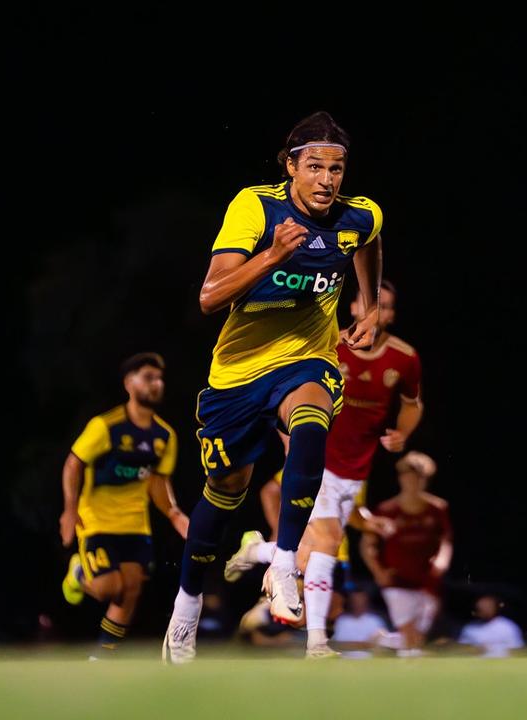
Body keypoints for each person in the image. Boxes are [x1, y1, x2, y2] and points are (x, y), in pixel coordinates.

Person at [163, 111, 383, 664]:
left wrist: (371, 305)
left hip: (305, 359)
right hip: (236, 376)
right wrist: (275, 255)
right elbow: (210, 298)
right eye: (315, 167)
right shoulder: (255, 206)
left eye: (336, 168)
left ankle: (284, 562)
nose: (327, 180)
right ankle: (183, 616)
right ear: (290, 167)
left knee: (312, 420)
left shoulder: (361, 214)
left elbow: (369, 242)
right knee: (223, 495)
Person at [226, 278, 421, 655]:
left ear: (391, 315)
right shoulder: (329, 344)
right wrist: (291, 445)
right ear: (352, 308)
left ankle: (256, 552)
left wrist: (403, 434)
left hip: (355, 473)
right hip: (319, 461)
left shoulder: (404, 358)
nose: (375, 312)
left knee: (308, 554)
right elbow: (289, 392)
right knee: (329, 541)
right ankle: (317, 643)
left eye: (385, 306)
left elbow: (413, 404)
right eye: (367, 302)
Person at [60, 353, 187, 656]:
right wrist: (69, 510)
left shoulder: (165, 436)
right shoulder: (106, 426)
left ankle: (102, 657)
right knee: (109, 589)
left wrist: (174, 513)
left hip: (135, 525)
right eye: (147, 378)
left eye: (159, 379)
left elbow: (158, 481)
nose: (156, 384)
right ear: (129, 384)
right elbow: (73, 464)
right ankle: (78, 573)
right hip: (97, 522)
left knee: (130, 592)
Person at [361, 452, 452, 657]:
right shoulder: (387, 510)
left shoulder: (437, 509)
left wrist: (442, 561)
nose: (413, 483)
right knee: (410, 634)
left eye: (419, 478)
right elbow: (368, 544)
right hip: (396, 579)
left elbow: (446, 541)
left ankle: (384, 639)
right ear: (401, 479)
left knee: (418, 636)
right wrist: (378, 571)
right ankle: (412, 668)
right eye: (409, 477)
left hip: (426, 579)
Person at [459, 595, 523, 658]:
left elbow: (516, 650)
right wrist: (476, 650)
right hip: (477, 665)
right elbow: (462, 650)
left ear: (494, 608)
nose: (485, 610)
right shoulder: (470, 628)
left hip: (502, 664)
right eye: (481, 608)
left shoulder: (508, 626)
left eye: (487, 607)